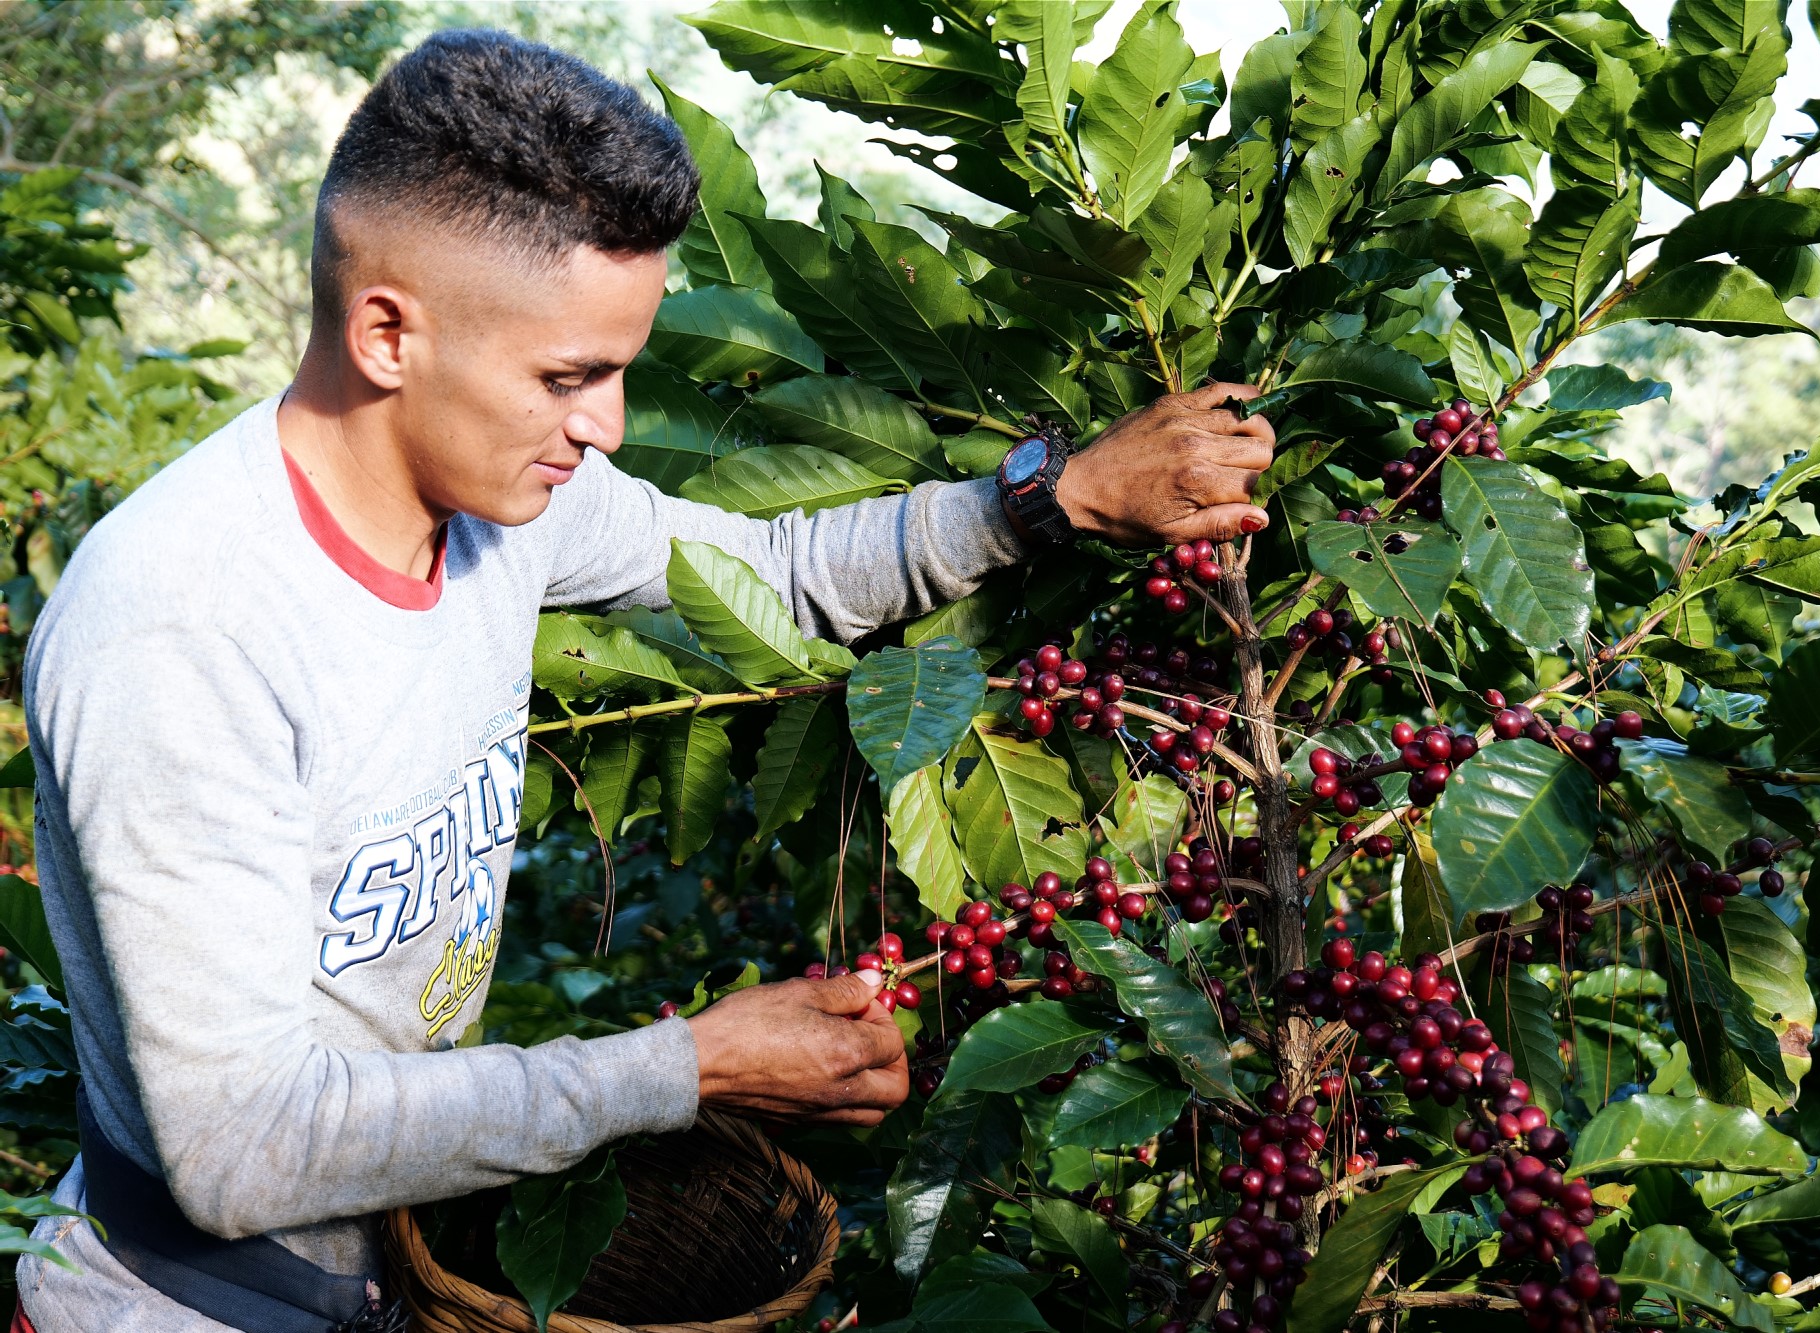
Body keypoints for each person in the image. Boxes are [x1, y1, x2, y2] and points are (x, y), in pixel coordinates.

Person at [14, 27, 1275, 1333]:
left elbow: (769, 574)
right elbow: (245, 1147)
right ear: (388, 331)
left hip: (390, 1272)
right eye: (571, 378)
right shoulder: (178, 630)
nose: (606, 426)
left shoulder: (507, 502)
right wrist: (694, 1062)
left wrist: (1046, 498)